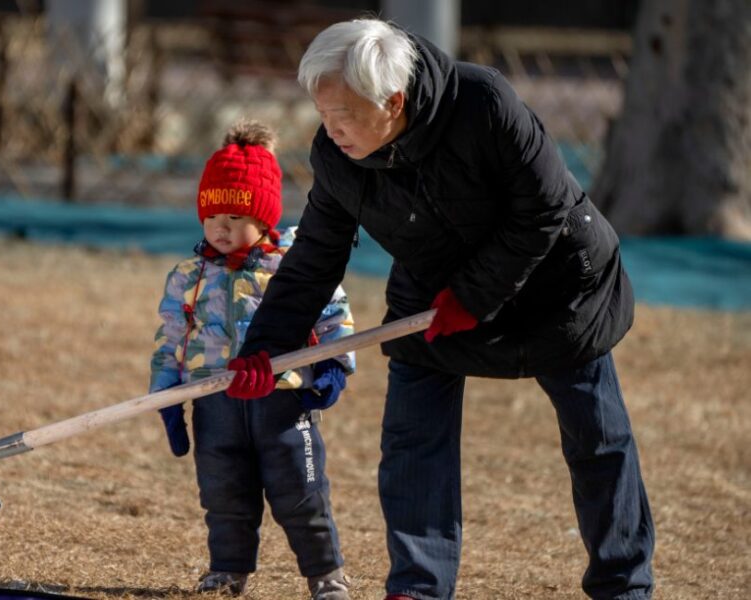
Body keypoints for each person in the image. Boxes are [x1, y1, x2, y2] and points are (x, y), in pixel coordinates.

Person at [225, 19, 655, 600]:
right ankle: (418, 587)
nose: (330, 131)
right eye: (323, 113)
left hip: (557, 287)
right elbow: (315, 260)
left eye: (344, 115)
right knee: (412, 437)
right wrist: (265, 348)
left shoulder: (484, 104)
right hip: (434, 297)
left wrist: (474, 298)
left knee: (596, 437)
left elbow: (543, 211)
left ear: (394, 101)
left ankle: (624, 584)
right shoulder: (338, 154)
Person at [149, 120, 357, 600]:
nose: (221, 226)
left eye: (234, 216)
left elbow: (333, 316)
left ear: (264, 219)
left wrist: (332, 367)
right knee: (223, 495)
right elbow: (172, 338)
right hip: (214, 403)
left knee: (300, 492)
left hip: (282, 402)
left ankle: (326, 573)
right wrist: (165, 394)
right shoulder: (187, 277)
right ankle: (227, 570)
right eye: (212, 215)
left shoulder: (292, 267)